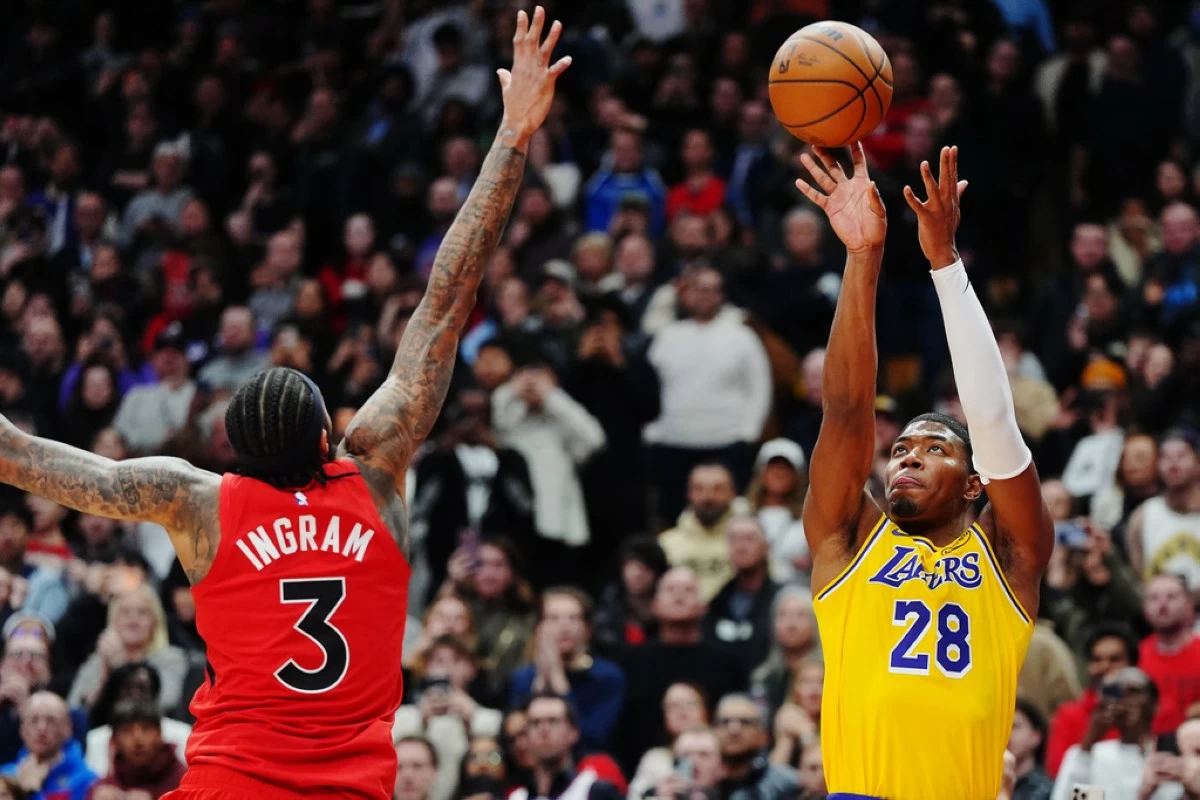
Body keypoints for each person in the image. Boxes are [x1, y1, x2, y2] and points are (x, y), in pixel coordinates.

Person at [0, 9, 572, 799]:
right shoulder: (373, 474)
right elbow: (447, 297)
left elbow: (30, 459)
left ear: (234, 454)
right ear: (332, 432)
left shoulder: (197, 502)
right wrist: (512, 138)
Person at [796, 143, 1053, 799]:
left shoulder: (1009, 555)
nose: (909, 453)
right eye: (904, 447)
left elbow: (994, 424)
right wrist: (863, 257)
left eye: (936, 447)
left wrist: (943, 263)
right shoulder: (850, 541)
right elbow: (848, 410)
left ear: (975, 484)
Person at [507, 694, 623, 800]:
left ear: (573, 732)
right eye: (535, 722)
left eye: (553, 721)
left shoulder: (597, 792)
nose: (544, 730)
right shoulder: (516, 797)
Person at [0, 691, 95, 800]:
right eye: (33, 720)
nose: (42, 728)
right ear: (22, 728)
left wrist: (31, 793)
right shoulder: (5, 775)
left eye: (51, 720)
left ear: (67, 728)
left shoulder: (87, 781)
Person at [88, 699, 186, 797]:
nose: (138, 739)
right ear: (114, 740)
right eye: (127, 731)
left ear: (160, 734)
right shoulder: (102, 789)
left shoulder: (185, 783)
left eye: (146, 729)